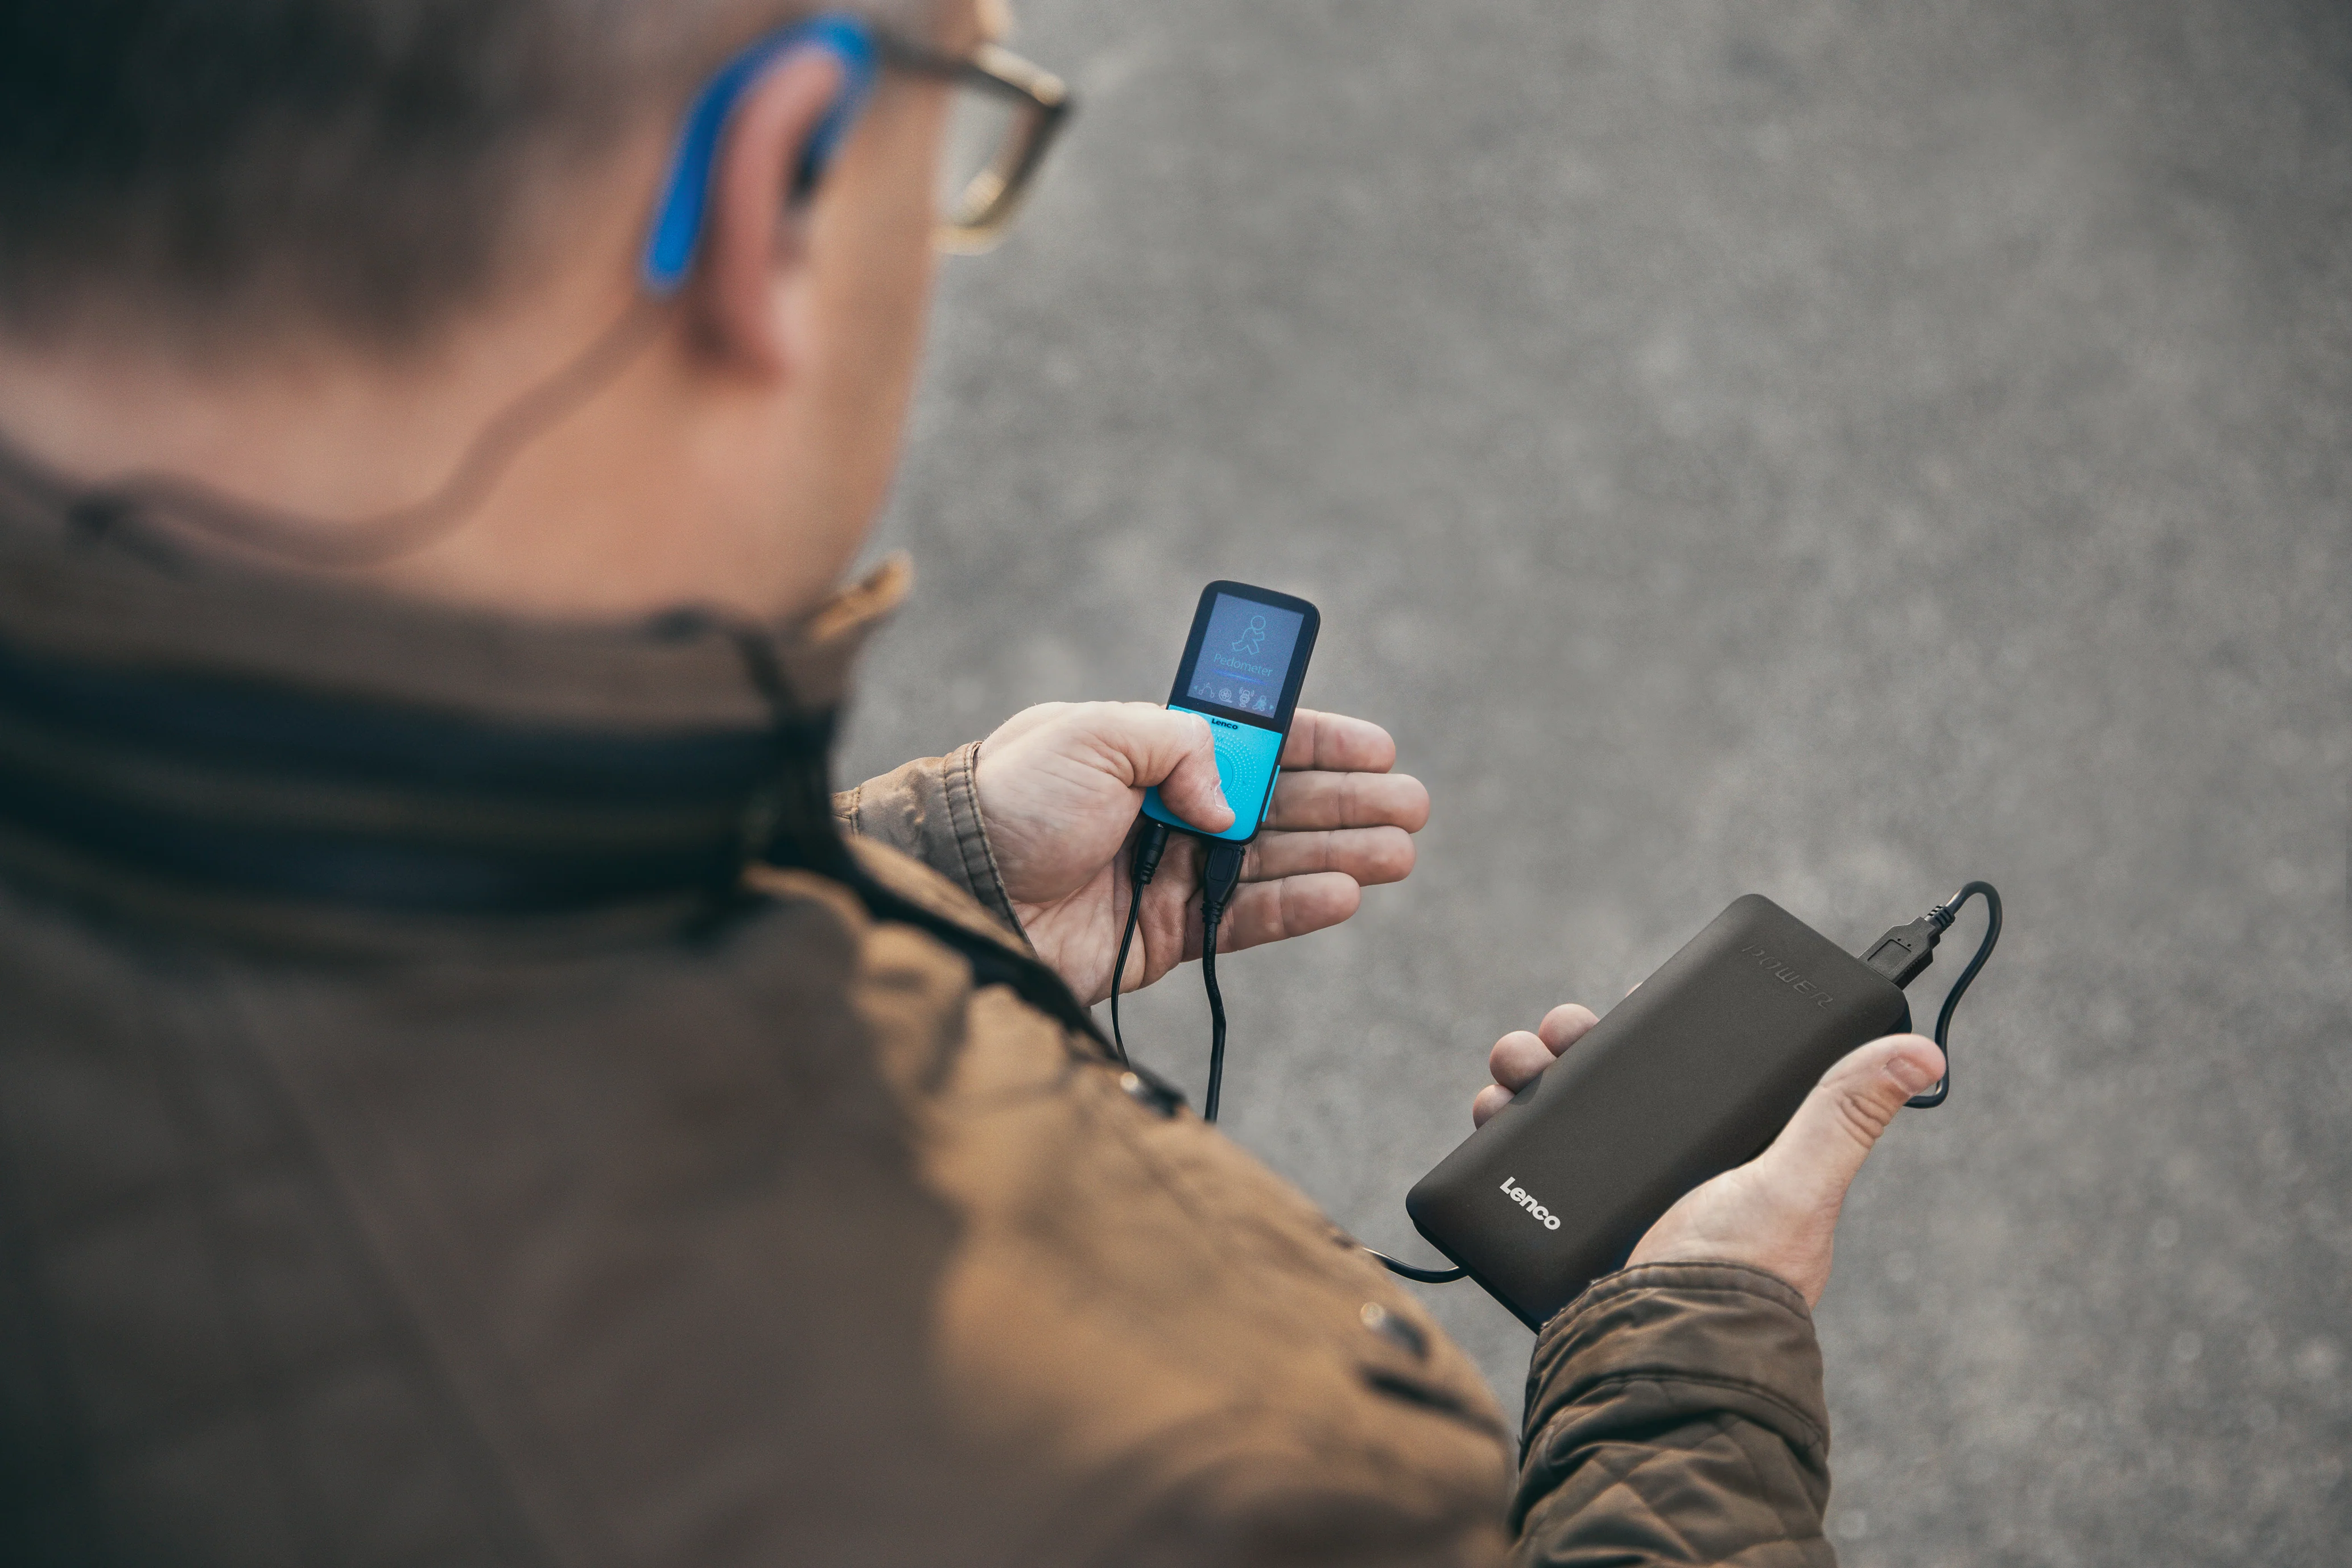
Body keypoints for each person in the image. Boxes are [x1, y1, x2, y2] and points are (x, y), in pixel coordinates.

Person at [0, 1, 1949, 1562]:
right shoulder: (1101, 1492)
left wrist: (922, 885)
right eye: (963, 129)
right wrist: (1689, 1370)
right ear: (773, 188)